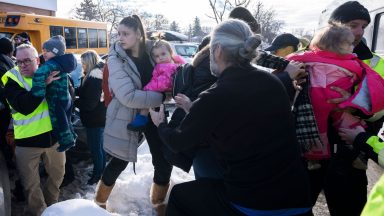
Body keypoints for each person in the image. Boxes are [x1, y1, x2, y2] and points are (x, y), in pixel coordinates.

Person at [150, 19, 311, 216]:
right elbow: (243, 118)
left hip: (256, 202)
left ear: (217, 50)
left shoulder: (217, 94)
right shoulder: (272, 82)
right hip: (299, 196)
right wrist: (195, 109)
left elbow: (178, 142)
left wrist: (160, 125)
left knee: (180, 196)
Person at [296, 2, 384, 215]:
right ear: (334, 25)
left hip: (349, 154)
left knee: (349, 210)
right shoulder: (305, 56)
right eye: (353, 25)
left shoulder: (373, 62)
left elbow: (382, 107)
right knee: (298, 207)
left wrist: (357, 103)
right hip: (307, 150)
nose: (359, 32)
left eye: (364, 26)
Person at [94, 15, 173, 215]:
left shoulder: (152, 52)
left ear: (138, 34)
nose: (120, 37)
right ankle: (99, 202)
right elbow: (127, 96)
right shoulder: (116, 58)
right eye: (119, 33)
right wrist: (161, 97)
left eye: (125, 33)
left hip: (153, 114)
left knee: (163, 159)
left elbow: (168, 71)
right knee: (120, 161)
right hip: (126, 115)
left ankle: (158, 201)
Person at [287, 24, 384, 170]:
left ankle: (313, 159)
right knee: (349, 123)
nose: (353, 46)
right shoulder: (351, 62)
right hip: (339, 100)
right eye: (350, 44)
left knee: (318, 129)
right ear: (340, 46)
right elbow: (361, 73)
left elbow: (291, 59)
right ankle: (358, 152)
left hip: (315, 98)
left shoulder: (309, 57)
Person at [1, 44, 65, 216]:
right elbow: (25, 106)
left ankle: (52, 208)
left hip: (53, 139)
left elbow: (67, 99)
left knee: (57, 176)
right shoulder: (11, 79)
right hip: (26, 143)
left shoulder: (50, 71)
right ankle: (40, 212)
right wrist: (43, 85)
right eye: (19, 61)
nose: (22, 65)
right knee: (30, 185)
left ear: (37, 60)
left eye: (27, 61)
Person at [30, 35, 77, 152]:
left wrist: (38, 93)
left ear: (56, 51)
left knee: (58, 122)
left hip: (55, 98)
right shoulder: (62, 63)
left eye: (48, 51)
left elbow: (38, 74)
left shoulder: (51, 64)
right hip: (65, 98)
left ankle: (66, 141)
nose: (44, 53)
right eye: (43, 50)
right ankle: (72, 136)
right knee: (66, 119)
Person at [127, 39, 185, 132]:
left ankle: (142, 118)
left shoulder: (168, 66)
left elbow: (164, 82)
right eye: (157, 56)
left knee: (147, 98)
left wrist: (147, 87)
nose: (160, 58)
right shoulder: (168, 64)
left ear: (170, 53)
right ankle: (142, 118)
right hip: (163, 90)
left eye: (163, 54)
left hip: (162, 88)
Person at [75, 50, 106, 185]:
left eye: (83, 63)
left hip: (95, 119)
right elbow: (84, 92)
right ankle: (101, 171)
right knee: (99, 147)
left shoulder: (94, 78)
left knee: (96, 149)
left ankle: (98, 174)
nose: (82, 65)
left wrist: (74, 101)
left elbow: (90, 104)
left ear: (90, 62)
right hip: (97, 118)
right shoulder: (91, 76)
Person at [0, 37, 15, 165]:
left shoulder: (5, 62)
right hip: (6, 107)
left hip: (4, 106)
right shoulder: (6, 64)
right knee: (6, 134)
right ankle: (9, 161)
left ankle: (8, 160)